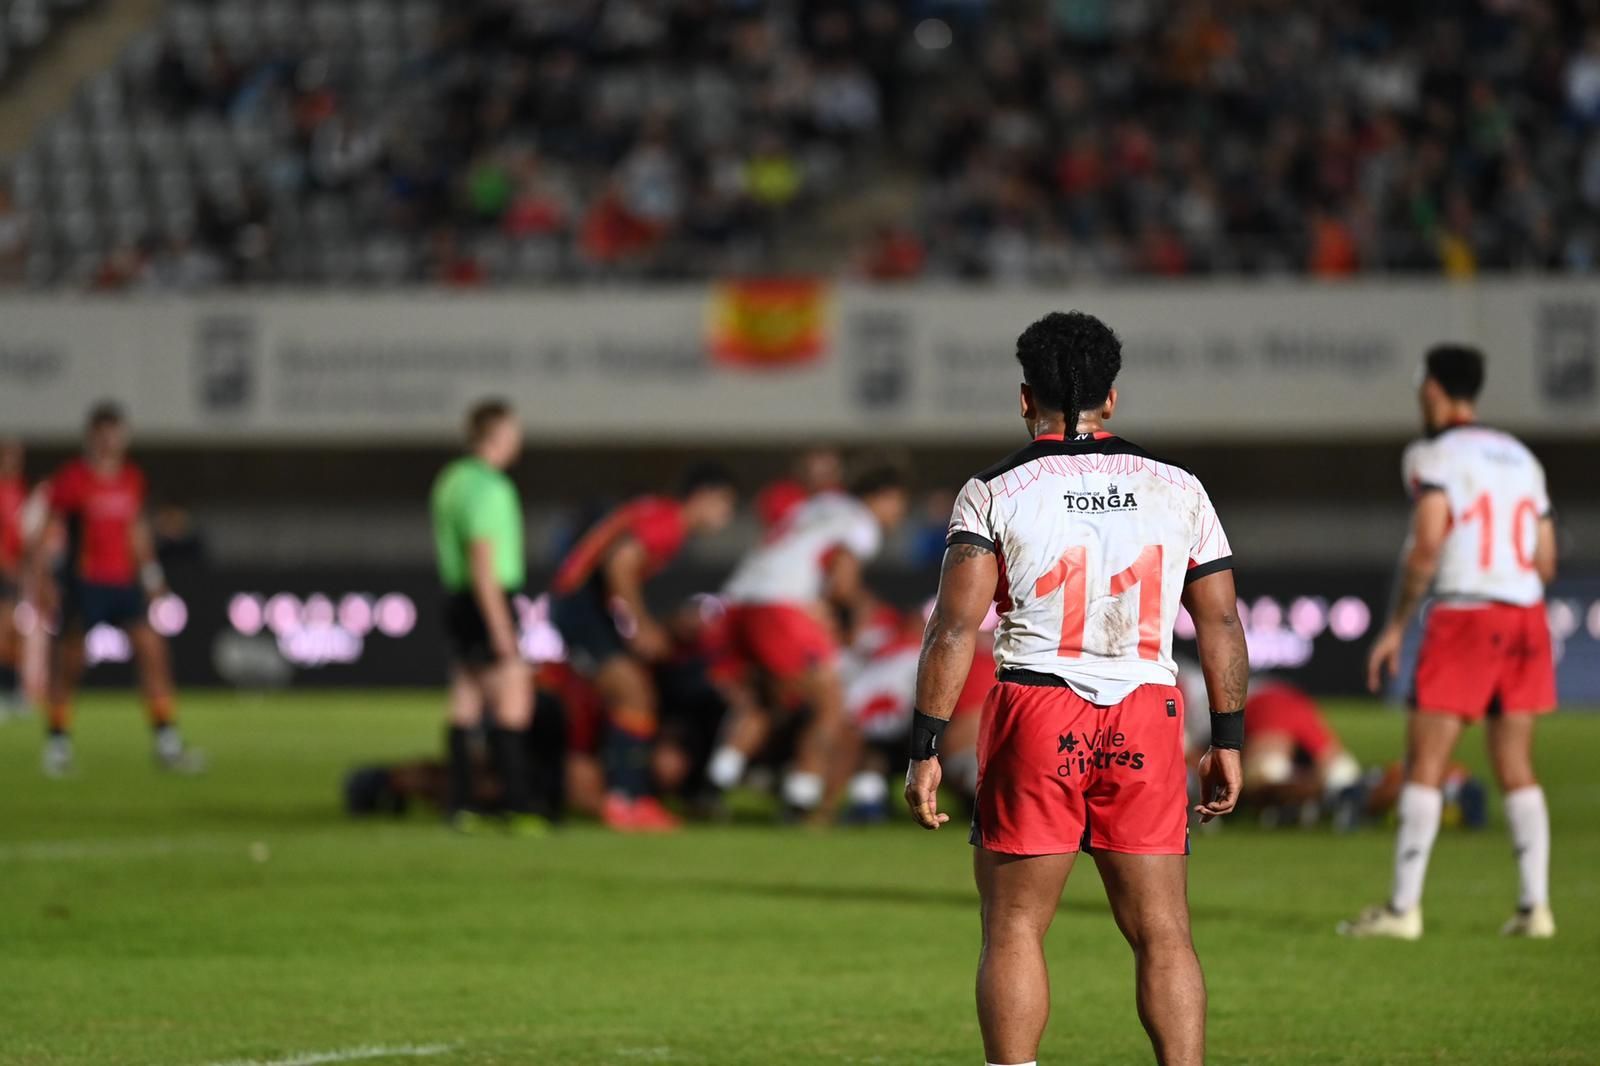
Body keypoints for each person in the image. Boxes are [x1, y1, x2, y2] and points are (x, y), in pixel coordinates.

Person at [904, 310, 1247, 1066]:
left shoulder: (993, 490)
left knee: (1016, 927)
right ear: (1111, 399)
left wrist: (925, 748)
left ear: (1025, 398)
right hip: (1147, 715)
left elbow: (955, 630)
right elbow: (1220, 623)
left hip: (1037, 708)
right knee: (1165, 932)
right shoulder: (1178, 488)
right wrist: (1228, 741)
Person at [1341, 344, 1558, 940]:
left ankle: (1404, 909)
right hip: (1527, 617)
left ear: (1432, 389)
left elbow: (1428, 545)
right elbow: (1546, 560)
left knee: (1426, 764)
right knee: (1516, 764)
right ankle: (1534, 907)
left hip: (1466, 614)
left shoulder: (1432, 454)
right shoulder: (1522, 457)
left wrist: (1395, 626)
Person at [705, 460, 909, 822]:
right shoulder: (861, 520)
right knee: (830, 702)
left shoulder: (818, 505)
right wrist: (866, 612)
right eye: (898, 504)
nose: (899, 514)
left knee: (764, 702)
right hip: (781, 604)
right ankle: (801, 798)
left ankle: (714, 785)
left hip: (738, 603)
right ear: (882, 496)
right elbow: (843, 583)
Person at [547, 464, 738, 831]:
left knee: (637, 695)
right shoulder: (669, 521)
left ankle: (631, 798)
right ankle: (626, 801)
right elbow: (620, 564)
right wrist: (640, 625)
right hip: (580, 605)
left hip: (584, 604)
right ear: (703, 497)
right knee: (633, 692)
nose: (725, 517)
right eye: (723, 506)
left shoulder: (658, 514)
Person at [30, 404, 202, 777]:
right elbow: (50, 528)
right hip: (84, 583)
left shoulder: (130, 479)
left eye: (115, 432)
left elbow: (136, 531)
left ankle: (167, 742)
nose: (110, 440)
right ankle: (58, 743)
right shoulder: (74, 479)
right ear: (92, 436)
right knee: (70, 665)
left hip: (123, 583)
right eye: (103, 432)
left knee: (153, 652)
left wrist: (152, 577)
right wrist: (42, 579)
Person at [430, 399, 542, 836]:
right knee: (514, 697)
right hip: (487, 597)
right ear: (494, 436)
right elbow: (482, 558)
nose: (519, 440)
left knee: (466, 701)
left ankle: (461, 805)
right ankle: (517, 805)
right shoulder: (490, 488)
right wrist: (502, 631)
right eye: (513, 432)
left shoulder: (450, 481)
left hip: (456, 597)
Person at [0, 439, 27, 713]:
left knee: (14, 632)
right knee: (4, 630)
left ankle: (14, 691)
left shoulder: (17, 490)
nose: (13, 462)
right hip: (2, 569)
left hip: (14, 570)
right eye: (8, 456)